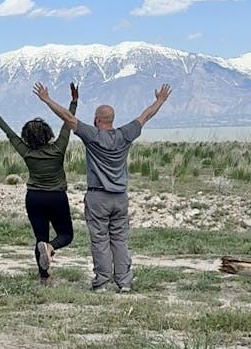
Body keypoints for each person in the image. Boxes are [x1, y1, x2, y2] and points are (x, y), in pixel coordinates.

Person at [34, 82, 172, 293]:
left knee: (100, 241)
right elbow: (145, 116)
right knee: (120, 240)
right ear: (112, 120)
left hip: (98, 197)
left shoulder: (93, 135)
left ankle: (101, 282)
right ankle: (124, 282)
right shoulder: (126, 134)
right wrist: (160, 100)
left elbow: (68, 118)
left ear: (98, 120)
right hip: (120, 197)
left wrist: (46, 99)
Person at [0, 83, 79, 286]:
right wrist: (73, 102)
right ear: (47, 134)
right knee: (66, 235)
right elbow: (67, 124)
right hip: (56, 196)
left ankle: (44, 278)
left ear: (26, 137)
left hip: (34, 197)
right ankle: (52, 248)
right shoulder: (58, 149)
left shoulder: (26, 152)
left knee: (40, 238)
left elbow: (9, 134)